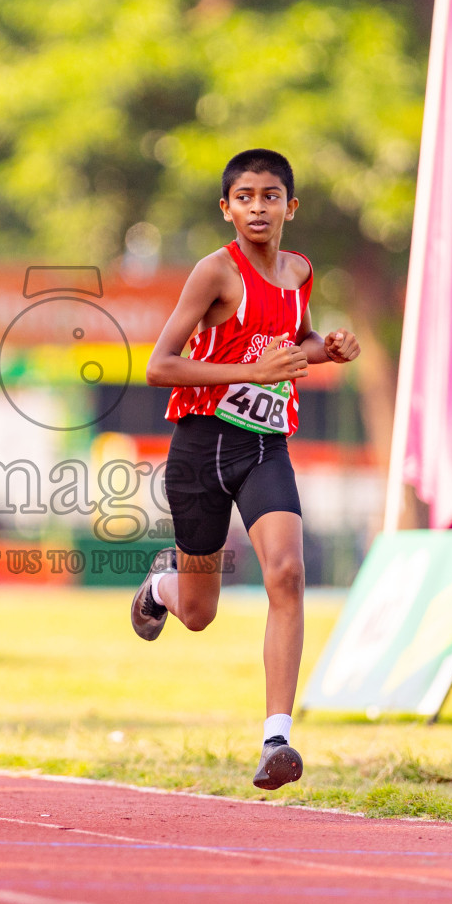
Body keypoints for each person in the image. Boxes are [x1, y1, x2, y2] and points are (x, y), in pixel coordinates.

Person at [132, 149, 359, 790]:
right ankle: (162, 586)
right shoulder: (214, 275)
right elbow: (159, 366)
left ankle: (277, 738)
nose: (258, 207)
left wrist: (330, 349)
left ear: (291, 206)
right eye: (245, 197)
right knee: (200, 613)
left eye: (270, 195)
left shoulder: (300, 272)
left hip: (264, 446)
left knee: (286, 573)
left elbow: (300, 343)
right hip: (201, 446)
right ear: (226, 208)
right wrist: (248, 372)